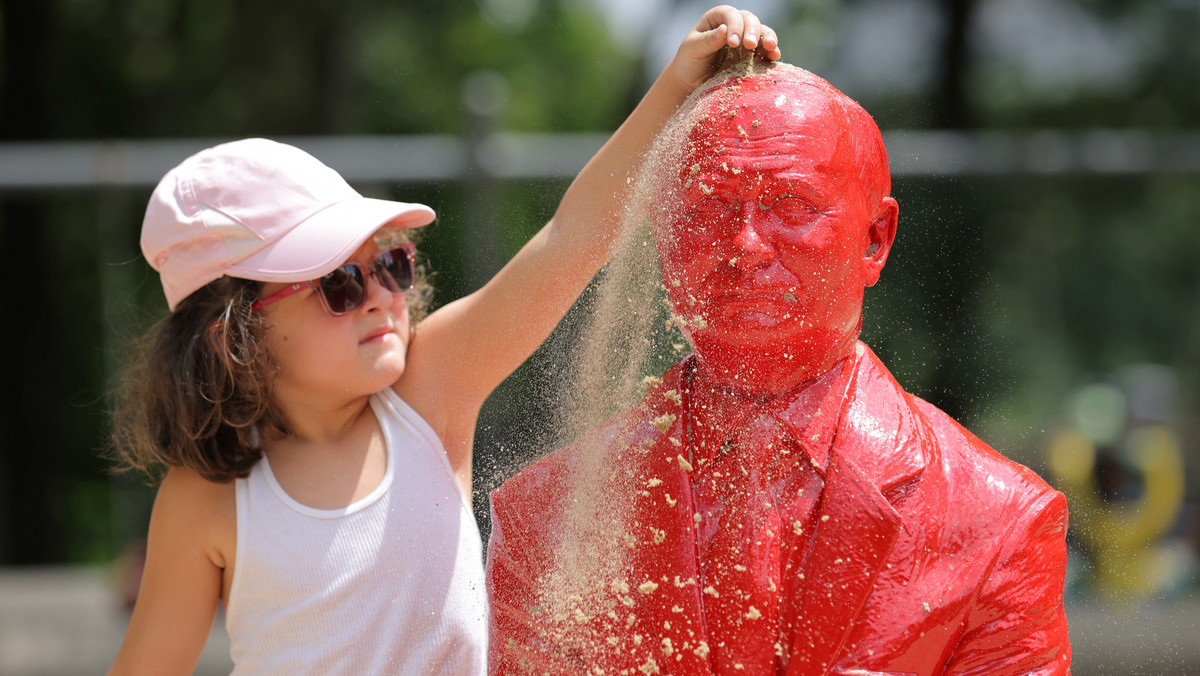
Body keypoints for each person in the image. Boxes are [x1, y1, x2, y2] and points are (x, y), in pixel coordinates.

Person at [105, 8, 783, 675]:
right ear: (234, 339)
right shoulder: (209, 497)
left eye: (389, 264)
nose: (379, 294)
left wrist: (676, 86)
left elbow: (569, 240)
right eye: (338, 283)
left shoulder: (427, 397)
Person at [486, 59, 1071, 675]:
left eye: (790, 205)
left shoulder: (995, 523)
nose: (745, 245)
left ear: (876, 238)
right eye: (710, 208)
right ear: (662, 238)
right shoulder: (546, 523)